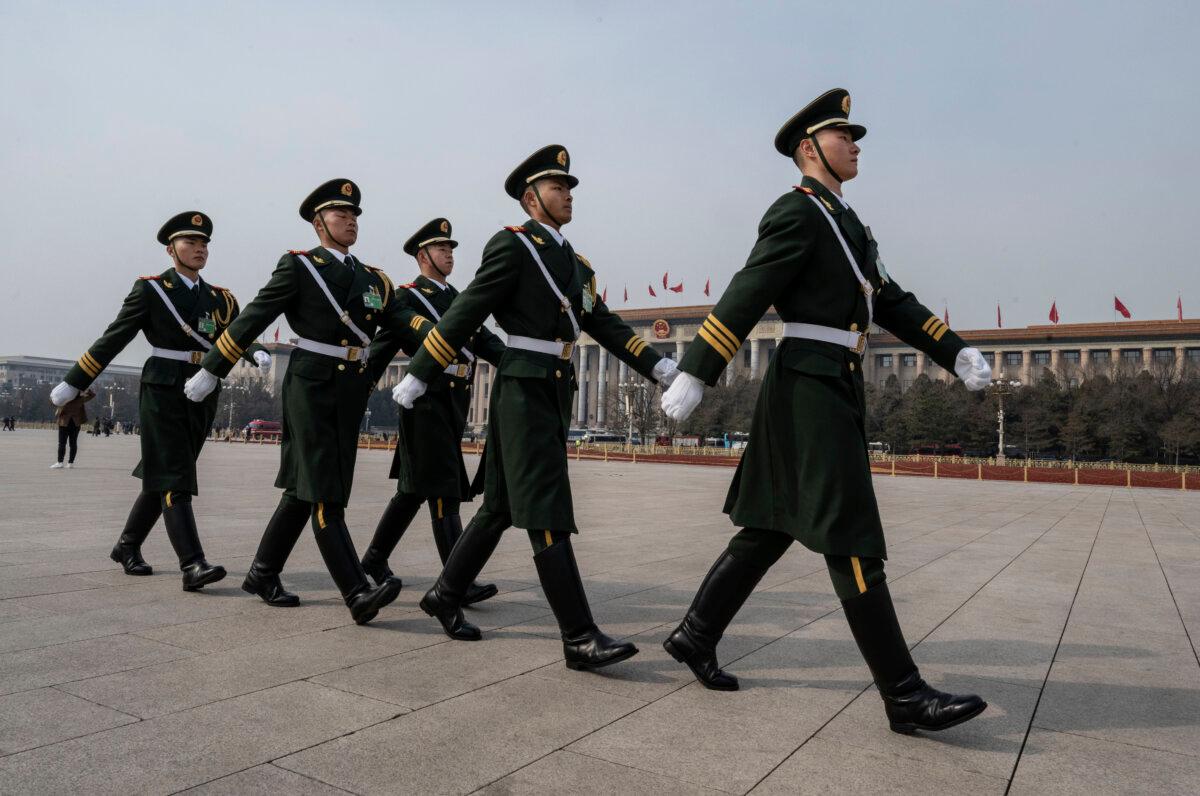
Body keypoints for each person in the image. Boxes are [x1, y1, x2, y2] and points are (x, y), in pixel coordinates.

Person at [660, 89, 993, 734]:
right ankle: (902, 692)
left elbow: (891, 299)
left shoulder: (850, 224)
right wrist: (699, 369)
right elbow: (749, 289)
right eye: (845, 136)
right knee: (851, 531)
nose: (857, 144)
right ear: (810, 148)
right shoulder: (797, 213)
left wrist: (954, 351)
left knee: (772, 522)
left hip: (832, 381)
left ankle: (696, 634)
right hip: (808, 383)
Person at [393, 146, 681, 670]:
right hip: (523, 385)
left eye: (569, 188)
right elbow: (466, 312)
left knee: (501, 505)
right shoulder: (512, 246)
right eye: (557, 187)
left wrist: (658, 366)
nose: (568, 194)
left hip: (554, 386)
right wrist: (419, 372)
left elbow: (603, 323)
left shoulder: (576, 262)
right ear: (530, 198)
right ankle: (578, 636)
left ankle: (443, 595)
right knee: (545, 505)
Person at [184, 179, 424, 625]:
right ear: (319, 224)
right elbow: (255, 314)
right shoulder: (299, 267)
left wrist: (449, 338)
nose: (350, 220)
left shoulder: (374, 279)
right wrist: (214, 366)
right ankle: (356, 592)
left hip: (351, 388)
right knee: (323, 490)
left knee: (304, 489)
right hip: (311, 385)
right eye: (340, 215)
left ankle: (262, 572)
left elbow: (406, 322)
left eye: (354, 215)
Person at [51, 211, 271, 590]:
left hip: (204, 389)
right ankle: (193, 564)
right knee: (175, 475)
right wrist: (75, 381)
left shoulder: (220, 298)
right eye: (190, 242)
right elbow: (114, 337)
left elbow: (235, 334)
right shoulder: (152, 290)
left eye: (204, 244)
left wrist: (257, 351)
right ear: (171, 250)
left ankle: (127, 544)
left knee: (165, 474)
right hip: (163, 388)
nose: (199, 249)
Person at [363, 218, 506, 605]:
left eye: (452, 250)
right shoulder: (408, 298)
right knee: (444, 488)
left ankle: (374, 559)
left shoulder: (461, 299)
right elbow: (381, 349)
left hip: (454, 402)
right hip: (424, 401)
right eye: (442, 249)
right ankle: (456, 579)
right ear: (423, 255)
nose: (450, 255)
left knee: (412, 490)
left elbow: (488, 342)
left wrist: (518, 362)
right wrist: (355, 392)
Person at [50, 388, 94, 468]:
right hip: (75, 423)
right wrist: (86, 390)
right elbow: (92, 395)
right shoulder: (80, 400)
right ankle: (70, 463)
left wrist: (56, 393)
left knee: (62, 443)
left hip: (64, 423)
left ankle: (60, 462)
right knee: (73, 444)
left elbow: (52, 401)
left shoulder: (63, 399)